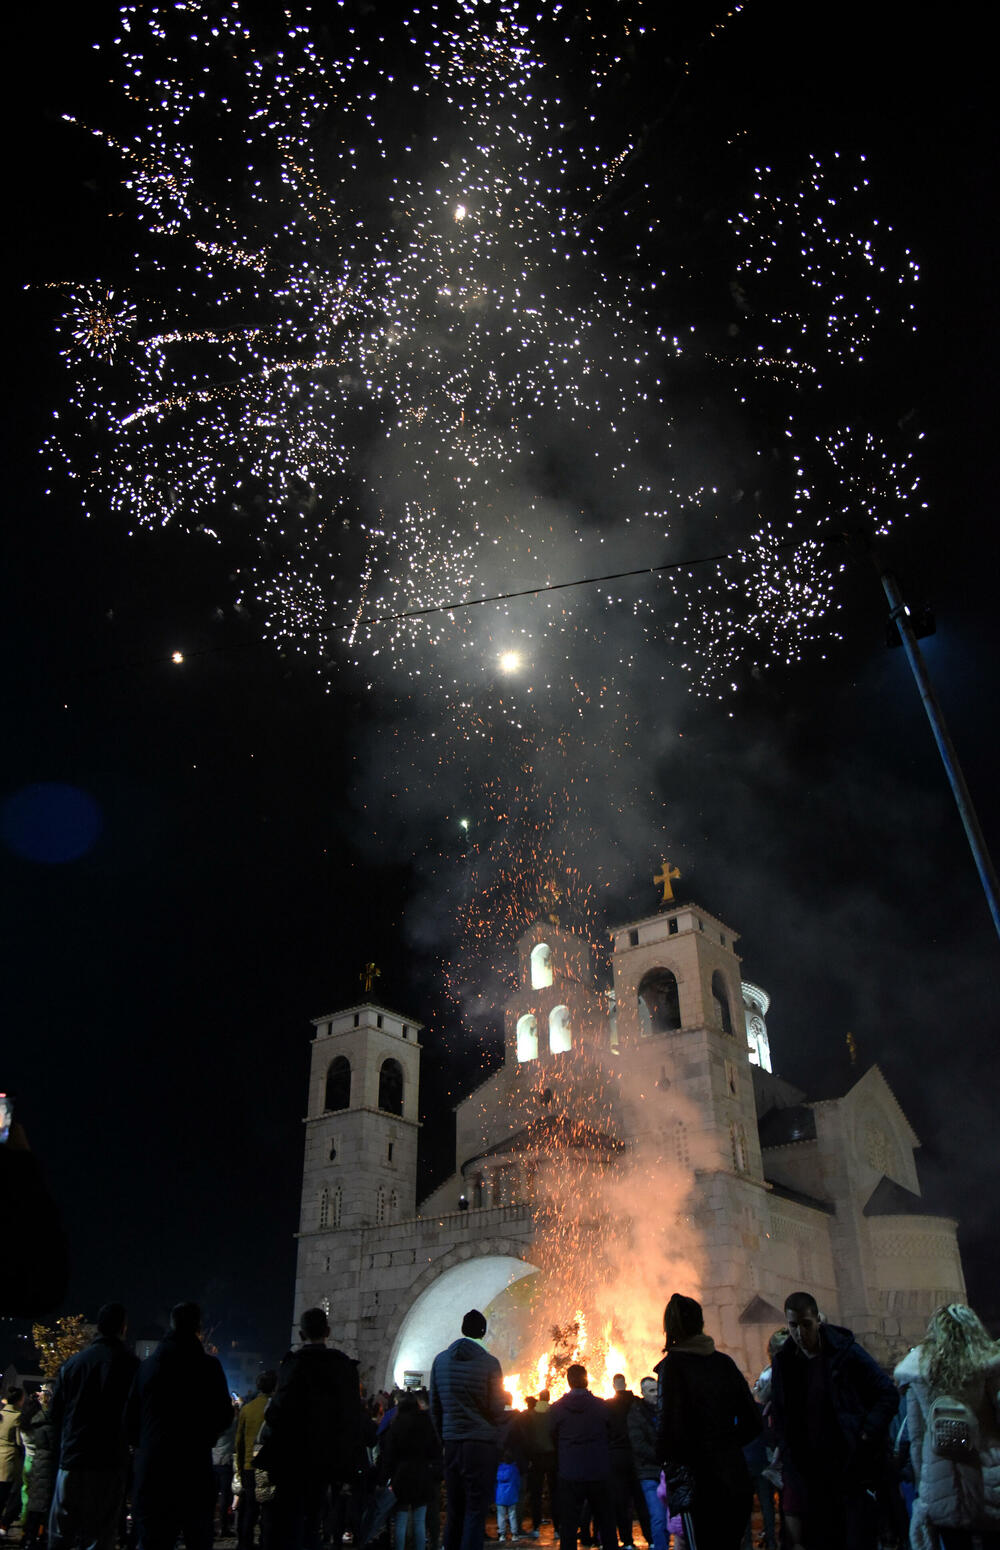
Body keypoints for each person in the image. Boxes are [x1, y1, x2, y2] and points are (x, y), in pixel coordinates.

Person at [770, 1290, 897, 1550]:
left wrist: (865, 1434)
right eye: (793, 1326)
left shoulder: (845, 1353)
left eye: (805, 1324)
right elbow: (782, 1411)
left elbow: (887, 1393)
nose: (799, 1333)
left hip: (848, 1467)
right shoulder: (785, 1363)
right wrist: (787, 1451)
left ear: (818, 1320)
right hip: (809, 1473)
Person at [654, 1292, 761, 1550]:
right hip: (734, 1481)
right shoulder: (723, 1363)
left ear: (671, 1327)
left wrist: (669, 1460)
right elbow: (753, 1421)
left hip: (698, 1489)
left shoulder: (673, 1368)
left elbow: (668, 1430)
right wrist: (726, 1445)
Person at [127, 1301, 234, 1550]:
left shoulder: (148, 1367)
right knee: (197, 1538)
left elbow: (130, 1420)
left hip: (153, 1468)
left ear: (172, 1325)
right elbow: (224, 1416)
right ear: (198, 1327)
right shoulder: (208, 1367)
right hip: (194, 1468)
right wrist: (205, 1436)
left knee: (153, 1539)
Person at [893, 1302, 1000, 1550]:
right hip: (989, 1476)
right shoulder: (988, 1365)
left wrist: (923, 1485)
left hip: (940, 1479)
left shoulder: (917, 1371)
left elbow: (917, 1437)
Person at [260, 1305, 363, 1550]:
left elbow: (277, 1413)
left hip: (294, 1458)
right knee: (316, 1518)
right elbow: (351, 1415)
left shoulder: (293, 1364)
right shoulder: (342, 1366)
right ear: (327, 1331)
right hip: (328, 1460)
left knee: (292, 1519)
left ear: (301, 1334)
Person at [47, 1303, 139, 1550]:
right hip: (109, 1461)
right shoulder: (132, 1365)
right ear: (123, 1327)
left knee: (61, 1533)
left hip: (73, 1457)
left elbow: (54, 1414)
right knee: (100, 1535)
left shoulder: (73, 1364)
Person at [429, 1308, 505, 1550]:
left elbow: (435, 1406)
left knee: (455, 1510)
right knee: (475, 1510)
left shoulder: (440, 1361)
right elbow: (496, 1408)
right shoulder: (490, 1363)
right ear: (482, 1333)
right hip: (480, 1446)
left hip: (452, 1443)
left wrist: (444, 1437)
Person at [547, 1364, 617, 1550]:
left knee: (568, 1526)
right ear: (586, 1379)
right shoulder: (602, 1406)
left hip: (570, 1474)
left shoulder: (557, 1409)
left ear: (568, 1381)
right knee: (607, 1523)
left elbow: (551, 1436)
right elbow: (612, 1433)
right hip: (599, 1472)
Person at [380, 1391, 442, 1550]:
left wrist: (387, 1477)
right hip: (422, 1474)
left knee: (400, 1520)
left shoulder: (397, 1424)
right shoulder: (426, 1422)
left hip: (401, 1476)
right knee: (419, 1521)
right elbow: (435, 1450)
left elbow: (389, 1454)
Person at [605, 1374, 650, 1550]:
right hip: (638, 1456)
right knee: (642, 1499)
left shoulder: (608, 1406)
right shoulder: (638, 1403)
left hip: (617, 1457)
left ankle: (628, 1541)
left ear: (614, 1386)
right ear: (625, 1384)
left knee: (621, 1502)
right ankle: (651, 1539)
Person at [235, 1369, 277, 1550]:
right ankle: (266, 1543)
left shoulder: (247, 1409)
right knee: (268, 1509)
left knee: (249, 1510)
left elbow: (239, 1442)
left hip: (248, 1466)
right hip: (269, 1466)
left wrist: (240, 1468)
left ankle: (245, 1543)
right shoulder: (276, 1408)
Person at [626, 1377, 668, 1550]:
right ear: (642, 1393)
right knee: (658, 1517)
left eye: (657, 1389)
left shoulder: (667, 1410)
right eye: (651, 1391)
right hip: (649, 1473)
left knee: (677, 1518)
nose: (656, 1394)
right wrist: (661, 1456)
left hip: (670, 1472)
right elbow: (638, 1444)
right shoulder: (635, 1414)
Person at [20, 1385, 56, 1544]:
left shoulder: (27, 1423)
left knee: (28, 1497)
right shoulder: (47, 1425)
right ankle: (38, 1535)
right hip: (44, 1465)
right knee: (43, 1504)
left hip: (31, 1461)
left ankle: (26, 1532)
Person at [0, 1388, 24, 1535]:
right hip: (8, 1460)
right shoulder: (17, 1417)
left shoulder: (1, 1414)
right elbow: (19, 1442)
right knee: (4, 1495)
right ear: (18, 1400)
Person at [495, 1445, 521, 1544]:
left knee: (500, 1516)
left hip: (500, 1496)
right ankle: (514, 1534)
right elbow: (518, 1482)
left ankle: (502, 1534)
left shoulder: (499, 1468)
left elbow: (495, 1482)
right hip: (512, 1495)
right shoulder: (514, 1469)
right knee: (512, 1515)